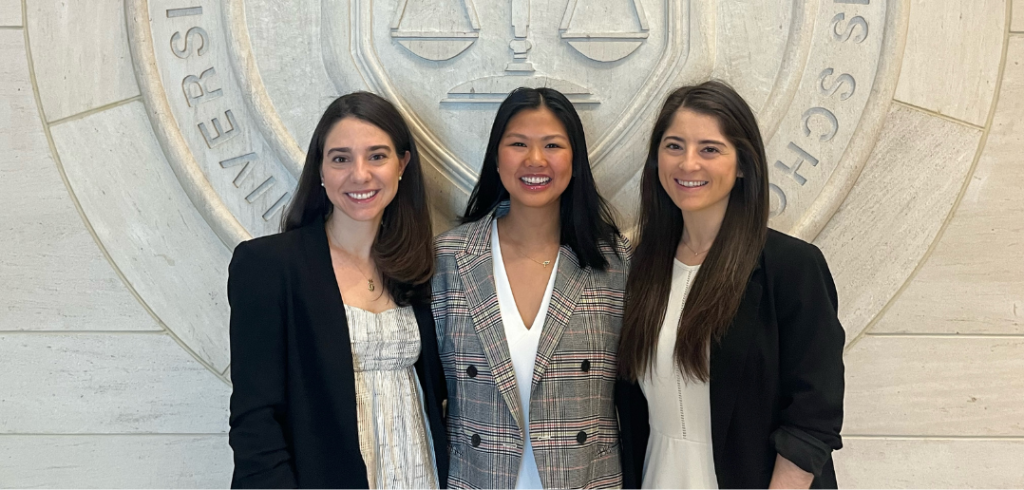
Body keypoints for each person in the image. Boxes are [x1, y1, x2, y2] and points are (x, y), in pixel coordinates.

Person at [616, 81, 845, 489]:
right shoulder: (640, 268)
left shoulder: (791, 267)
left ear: (742, 163)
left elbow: (814, 416)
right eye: (673, 146)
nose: (688, 164)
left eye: (709, 149)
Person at [227, 92, 448, 489]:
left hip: (421, 472)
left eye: (377, 156)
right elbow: (255, 420)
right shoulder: (269, 266)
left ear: (403, 165)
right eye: (341, 158)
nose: (359, 174)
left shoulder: (420, 268)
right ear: (321, 170)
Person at [431, 87, 630, 489]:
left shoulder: (613, 263)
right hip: (477, 480)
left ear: (575, 161)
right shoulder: (448, 259)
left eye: (552, 145)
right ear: (496, 158)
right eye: (518, 143)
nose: (535, 160)